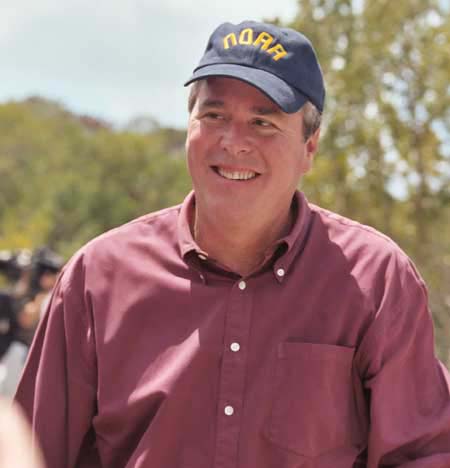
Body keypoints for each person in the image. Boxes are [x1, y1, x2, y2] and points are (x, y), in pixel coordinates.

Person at [14, 20, 450, 468]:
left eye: (263, 122)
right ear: (189, 125)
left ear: (310, 147)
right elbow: (33, 454)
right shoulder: (96, 278)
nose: (233, 142)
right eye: (214, 116)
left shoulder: (377, 280)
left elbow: (422, 456)